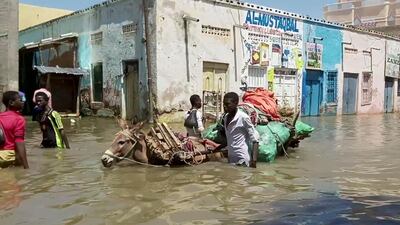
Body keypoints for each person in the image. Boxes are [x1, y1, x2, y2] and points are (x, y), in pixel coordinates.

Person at [217, 92, 259, 168]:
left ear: (236, 103)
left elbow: (255, 140)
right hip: (231, 158)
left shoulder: (243, 117)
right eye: (223, 104)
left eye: (227, 104)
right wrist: (214, 149)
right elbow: (229, 139)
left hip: (242, 159)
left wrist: (254, 161)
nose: (224, 106)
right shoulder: (226, 118)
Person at [0, 91, 29, 169]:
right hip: (10, 157)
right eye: (20, 100)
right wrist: (26, 166)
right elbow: (19, 142)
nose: (22, 102)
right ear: (11, 103)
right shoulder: (19, 119)